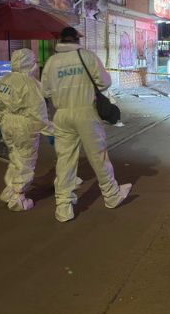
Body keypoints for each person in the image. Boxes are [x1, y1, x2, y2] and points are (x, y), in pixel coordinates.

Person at [41, 27, 132, 222]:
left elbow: (46, 91)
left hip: (62, 115)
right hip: (85, 112)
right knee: (98, 156)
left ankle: (63, 207)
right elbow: (105, 82)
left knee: (65, 160)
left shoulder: (51, 62)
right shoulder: (87, 57)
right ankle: (112, 196)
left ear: (61, 41)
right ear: (77, 39)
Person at [0, 48, 54, 212]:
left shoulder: (4, 80)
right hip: (23, 125)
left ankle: (10, 189)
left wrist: (0, 120)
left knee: (15, 157)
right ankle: (18, 198)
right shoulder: (31, 84)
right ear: (29, 63)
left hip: (7, 123)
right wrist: (51, 131)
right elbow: (38, 114)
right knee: (26, 159)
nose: (36, 64)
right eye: (34, 61)